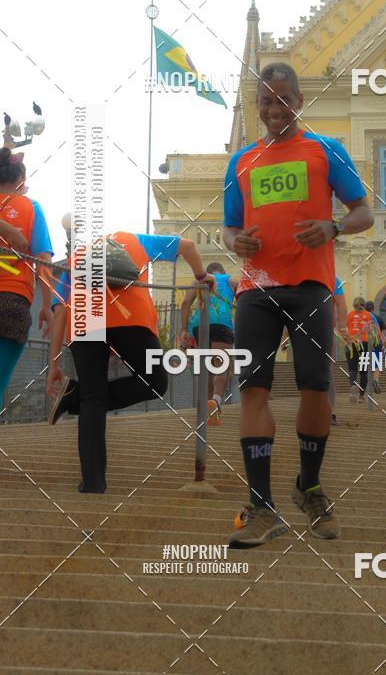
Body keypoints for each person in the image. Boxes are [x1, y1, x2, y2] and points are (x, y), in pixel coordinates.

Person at [223, 62, 372, 548]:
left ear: (299, 101)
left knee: (314, 388)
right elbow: (229, 227)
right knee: (253, 392)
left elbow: (363, 212)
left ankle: (309, 486)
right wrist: (235, 241)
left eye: (283, 99)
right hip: (256, 290)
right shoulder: (241, 161)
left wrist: (333, 228)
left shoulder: (326, 150)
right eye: (265, 100)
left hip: (310, 285)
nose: (273, 109)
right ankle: (261, 505)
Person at [46, 232, 214, 493]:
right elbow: (190, 245)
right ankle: (75, 396)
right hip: (131, 318)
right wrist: (202, 278)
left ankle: (93, 484)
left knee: (94, 398)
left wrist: (54, 363)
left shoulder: (76, 257)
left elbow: (59, 312)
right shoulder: (135, 240)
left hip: (84, 323)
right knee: (155, 382)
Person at [0, 148, 54, 407]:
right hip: (11, 303)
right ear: (21, 179)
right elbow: (43, 261)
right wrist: (46, 305)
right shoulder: (31, 207)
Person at [180, 261, 238, 424]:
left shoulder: (198, 281)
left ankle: (208, 411)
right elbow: (243, 296)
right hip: (222, 322)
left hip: (200, 324)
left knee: (206, 369)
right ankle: (216, 401)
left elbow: (185, 303)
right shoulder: (229, 280)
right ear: (222, 271)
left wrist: (184, 329)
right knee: (222, 365)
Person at [346, 297, 376, 402]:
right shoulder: (368, 315)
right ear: (364, 305)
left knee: (352, 369)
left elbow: (343, 329)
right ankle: (361, 396)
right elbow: (372, 330)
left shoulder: (349, 315)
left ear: (353, 305)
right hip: (364, 343)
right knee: (363, 371)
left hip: (351, 342)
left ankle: (353, 386)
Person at [330, 276, 349, 424]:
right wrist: (343, 329)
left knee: (324, 373)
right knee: (327, 373)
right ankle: (331, 412)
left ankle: (330, 412)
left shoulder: (332, 277)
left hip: (324, 331)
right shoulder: (333, 277)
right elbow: (342, 304)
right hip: (326, 330)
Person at [365, 300, 385, 393]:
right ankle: (376, 379)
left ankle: (363, 386)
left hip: (365, 342)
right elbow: (383, 332)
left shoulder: (363, 317)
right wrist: (385, 344)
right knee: (377, 363)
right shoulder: (378, 318)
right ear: (373, 308)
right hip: (377, 342)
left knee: (365, 363)